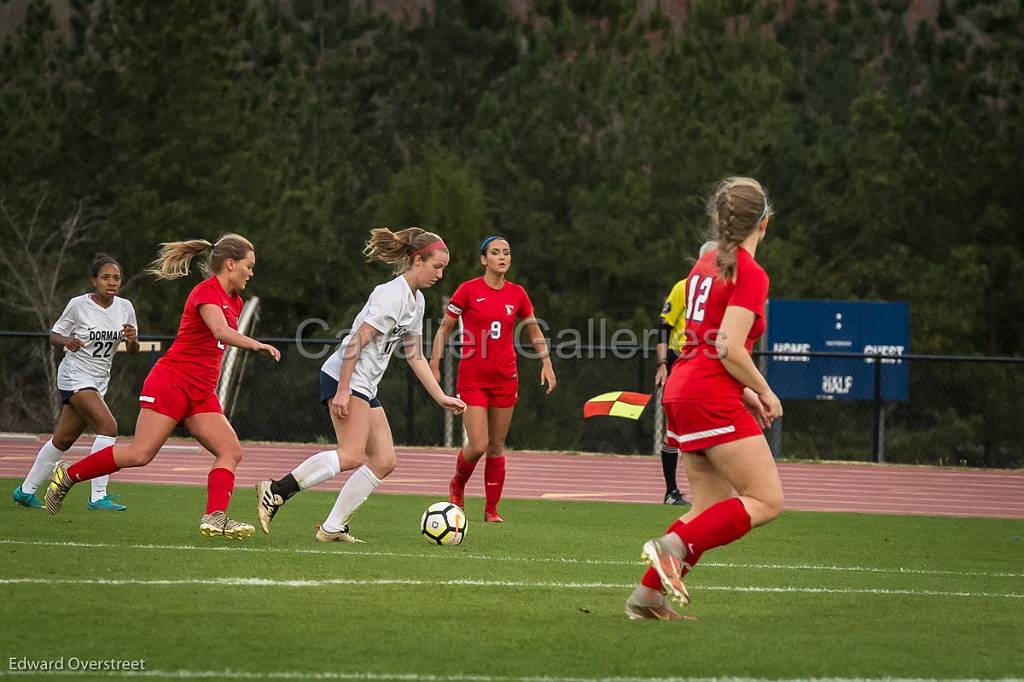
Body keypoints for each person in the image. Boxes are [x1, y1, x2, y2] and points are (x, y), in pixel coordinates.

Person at [44, 234, 280, 539]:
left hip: (200, 392)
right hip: (171, 382)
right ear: (230, 264)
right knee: (141, 454)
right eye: (249, 266)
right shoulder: (205, 292)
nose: (251, 272)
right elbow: (220, 331)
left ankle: (216, 516)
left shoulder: (234, 300)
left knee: (231, 451)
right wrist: (256, 345)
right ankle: (68, 475)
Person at [625, 178, 784, 620]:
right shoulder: (749, 272)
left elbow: (707, 339)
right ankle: (671, 547)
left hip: (685, 387)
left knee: (709, 508)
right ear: (764, 223)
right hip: (708, 391)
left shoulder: (706, 263)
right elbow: (728, 346)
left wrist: (746, 390)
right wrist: (765, 390)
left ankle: (647, 598)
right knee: (766, 500)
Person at [257, 228, 465, 542]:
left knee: (384, 461)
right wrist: (343, 389)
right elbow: (356, 341)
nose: (440, 273)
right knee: (351, 454)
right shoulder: (392, 295)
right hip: (347, 377)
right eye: (436, 266)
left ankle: (332, 528)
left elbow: (415, 356)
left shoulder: (417, 301)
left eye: (443, 268)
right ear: (416, 260)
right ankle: (275, 491)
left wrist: (440, 397)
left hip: (363, 385)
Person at [429, 236, 556, 523]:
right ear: (484, 259)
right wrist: (433, 363)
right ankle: (457, 486)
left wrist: (546, 362)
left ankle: (491, 509)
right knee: (478, 445)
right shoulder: (468, 290)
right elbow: (445, 328)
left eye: (507, 253)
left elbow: (534, 331)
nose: (502, 257)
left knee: (497, 445)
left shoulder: (517, 294)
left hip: (505, 378)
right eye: (495, 253)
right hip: (472, 379)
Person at [13, 254, 139, 512]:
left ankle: (25, 491)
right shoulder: (78, 305)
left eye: (116, 278)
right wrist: (66, 342)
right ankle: (97, 496)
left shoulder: (125, 307)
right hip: (75, 375)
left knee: (63, 439)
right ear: (94, 281)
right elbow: (54, 335)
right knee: (108, 426)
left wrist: (133, 339)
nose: (111, 282)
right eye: (105, 277)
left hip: (99, 380)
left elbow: (133, 349)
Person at [654, 240, 717, 506]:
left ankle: (711, 492)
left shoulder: (723, 289)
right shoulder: (683, 287)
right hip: (681, 360)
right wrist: (662, 365)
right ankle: (671, 491)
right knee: (674, 430)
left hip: (710, 362)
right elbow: (663, 326)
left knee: (710, 428)